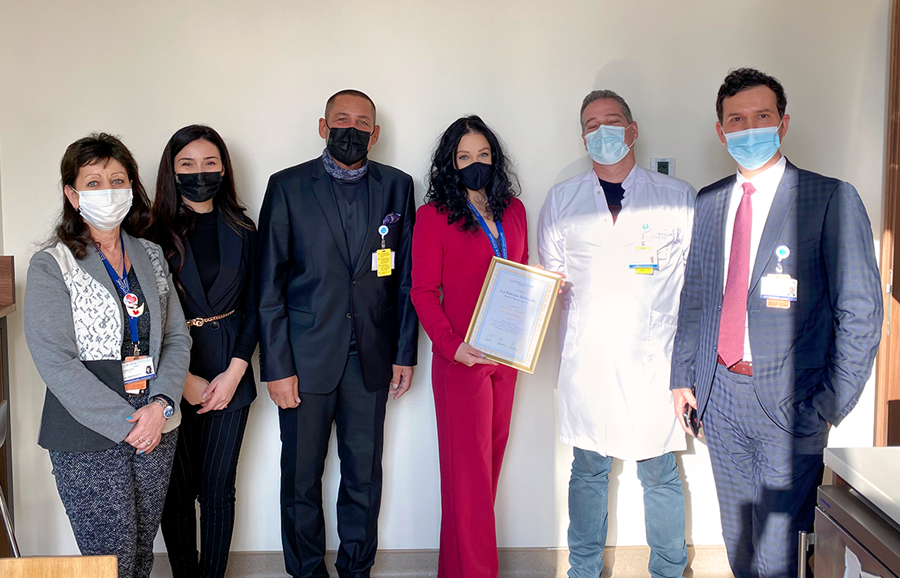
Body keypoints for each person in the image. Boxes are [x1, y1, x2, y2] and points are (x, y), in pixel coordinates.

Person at [670, 68, 883, 578]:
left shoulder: (829, 197)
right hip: (719, 398)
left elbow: (861, 312)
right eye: (736, 120)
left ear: (783, 123)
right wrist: (682, 377)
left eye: (762, 116)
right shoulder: (709, 200)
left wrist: (827, 405)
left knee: (780, 555)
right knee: (740, 545)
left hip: (793, 405)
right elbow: (695, 297)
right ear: (721, 131)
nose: (749, 128)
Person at [257, 89, 419, 578]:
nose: (352, 129)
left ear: (376, 133)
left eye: (363, 122)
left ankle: (356, 570)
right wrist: (277, 367)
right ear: (323, 127)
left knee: (363, 479)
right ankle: (307, 572)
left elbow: (405, 279)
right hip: (303, 362)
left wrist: (404, 352)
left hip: (370, 359)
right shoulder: (287, 186)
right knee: (301, 480)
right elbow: (269, 285)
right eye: (342, 119)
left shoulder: (397, 187)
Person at [538, 90, 695, 578]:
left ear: (632, 129)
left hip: (656, 362)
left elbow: (697, 282)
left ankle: (669, 570)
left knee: (660, 472)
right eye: (591, 124)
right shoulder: (562, 200)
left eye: (612, 120)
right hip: (587, 361)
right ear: (582, 136)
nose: (601, 130)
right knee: (588, 471)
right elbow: (549, 281)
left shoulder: (676, 196)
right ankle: (583, 570)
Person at [23, 133, 190, 578]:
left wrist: (161, 405)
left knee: (140, 552)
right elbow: (55, 360)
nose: (108, 190)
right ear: (72, 194)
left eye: (118, 180)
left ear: (132, 187)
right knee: (109, 560)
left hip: (155, 420)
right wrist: (126, 423)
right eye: (93, 182)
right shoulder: (51, 264)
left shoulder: (150, 255)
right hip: (87, 427)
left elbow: (176, 338)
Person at [410, 116, 528, 578]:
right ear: (450, 164)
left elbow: (521, 276)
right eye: (464, 157)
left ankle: (455, 570)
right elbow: (423, 291)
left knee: (485, 475)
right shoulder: (434, 216)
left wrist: (545, 292)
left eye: (483, 154)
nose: (474, 163)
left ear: (494, 159)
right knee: (468, 481)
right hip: (460, 360)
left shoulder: (514, 211)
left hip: (508, 359)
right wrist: (450, 345)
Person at [152, 125, 258, 578]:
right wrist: (181, 380)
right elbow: (143, 316)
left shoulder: (244, 229)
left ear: (224, 169)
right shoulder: (149, 233)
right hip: (170, 375)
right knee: (175, 492)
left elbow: (256, 305)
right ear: (172, 172)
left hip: (230, 370)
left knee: (218, 489)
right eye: (187, 164)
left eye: (210, 162)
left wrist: (235, 372)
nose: (200, 172)